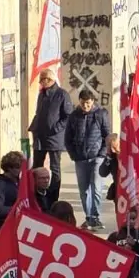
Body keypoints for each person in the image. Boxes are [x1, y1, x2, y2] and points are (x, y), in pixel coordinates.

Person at [65, 88, 111, 231]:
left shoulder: (100, 114)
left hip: (97, 158)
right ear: (79, 101)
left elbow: (107, 136)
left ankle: (95, 217)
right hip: (80, 159)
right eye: (83, 103)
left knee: (96, 188)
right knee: (84, 191)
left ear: (93, 102)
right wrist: (74, 154)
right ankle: (89, 217)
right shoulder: (73, 116)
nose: (86, 106)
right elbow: (68, 139)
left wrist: (102, 154)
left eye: (88, 103)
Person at [29, 68, 74, 186]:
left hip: (54, 137)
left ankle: (53, 194)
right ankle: (36, 191)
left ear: (50, 80)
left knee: (55, 168)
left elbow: (68, 116)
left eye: (43, 80)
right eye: (41, 81)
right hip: (39, 136)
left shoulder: (62, 94)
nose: (42, 83)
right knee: (37, 166)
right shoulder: (41, 94)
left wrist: (55, 128)